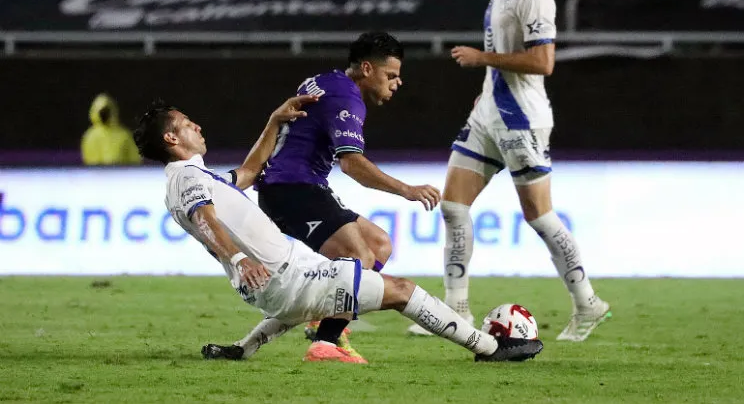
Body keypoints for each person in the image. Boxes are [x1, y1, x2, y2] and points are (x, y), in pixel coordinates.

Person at [132, 97, 543, 364]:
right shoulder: (184, 179)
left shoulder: (200, 178)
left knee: (302, 305)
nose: (197, 126)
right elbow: (205, 220)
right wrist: (238, 257)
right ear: (172, 137)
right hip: (282, 273)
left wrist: (274, 120)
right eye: (187, 123)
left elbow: (250, 171)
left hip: (283, 278)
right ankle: (490, 348)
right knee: (399, 289)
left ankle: (243, 349)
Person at [407, 0, 611, 342]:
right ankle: (456, 307)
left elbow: (543, 62)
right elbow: (506, 52)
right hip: (489, 115)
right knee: (452, 206)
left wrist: (482, 61)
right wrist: (486, 89)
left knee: (539, 215)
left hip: (522, 120)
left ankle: (587, 302)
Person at [212, 32, 441, 362]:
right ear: (366, 68)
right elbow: (351, 164)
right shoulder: (346, 98)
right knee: (357, 254)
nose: (397, 83)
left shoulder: (326, 81)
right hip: (292, 190)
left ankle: (329, 316)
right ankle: (326, 343)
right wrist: (407, 189)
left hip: (298, 187)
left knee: (379, 245)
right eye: (391, 75)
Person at [81, 93, 141, 165]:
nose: (105, 114)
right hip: (97, 174)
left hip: (122, 174)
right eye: (102, 112)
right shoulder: (90, 136)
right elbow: (89, 159)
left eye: (106, 111)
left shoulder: (124, 135)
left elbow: (134, 159)